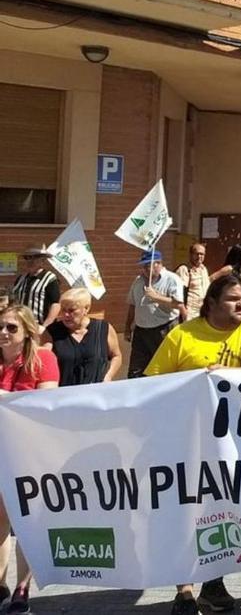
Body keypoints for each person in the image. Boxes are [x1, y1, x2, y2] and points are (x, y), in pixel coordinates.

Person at [143, 275, 241, 615]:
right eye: (233, 299)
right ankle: (184, 590)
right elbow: (152, 384)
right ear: (213, 302)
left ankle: (213, 585)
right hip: (187, 441)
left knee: (225, 513)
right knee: (187, 511)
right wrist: (198, 379)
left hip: (238, 444)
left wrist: (231, 377)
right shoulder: (182, 335)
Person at [0, 305, 58, 613]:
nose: (4, 333)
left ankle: (22, 588)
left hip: (29, 453)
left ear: (27, 332)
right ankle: (0, 585)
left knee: (26, 524)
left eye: (11, 328)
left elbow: (47, 403)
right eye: (1, 327)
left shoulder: (43, 360)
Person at [125, 250, 185, 379]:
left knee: (163, 368)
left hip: (164, 329)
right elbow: (132, 305)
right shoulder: (138, 281)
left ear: (159, 264)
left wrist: (156, 297)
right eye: (144, 266)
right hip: (141, 331)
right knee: (136, 370)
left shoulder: (172, 279)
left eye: (149, 266)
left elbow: (178, 304)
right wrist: (127, 328)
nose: (146, 269)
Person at [44, 287, 122, 385]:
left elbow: (116, 356)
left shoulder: (103, 328)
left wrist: (108, 376)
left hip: (96, 392)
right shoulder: (52, 332)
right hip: (65, 393)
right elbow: (43, 360)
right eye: (63, 310)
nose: (66, 315)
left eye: (72, 310)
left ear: (86, 308)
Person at [11, 245, 60, 334]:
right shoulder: (21, 279)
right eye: (27, 257)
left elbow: (55, 304)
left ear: (43, 260)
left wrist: (45, 326)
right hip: (22, 325)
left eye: (34, 257)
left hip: (40, 327)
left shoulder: (50, 278)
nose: (30, 261)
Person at [176, 242, 210, 321]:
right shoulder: (184, 269)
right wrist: (183, 311)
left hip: (203, 311)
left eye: (202, 254)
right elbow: (178, 293)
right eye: (196, 254)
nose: (199, 256)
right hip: (190, 313)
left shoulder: (204, 269)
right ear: (191, 254)